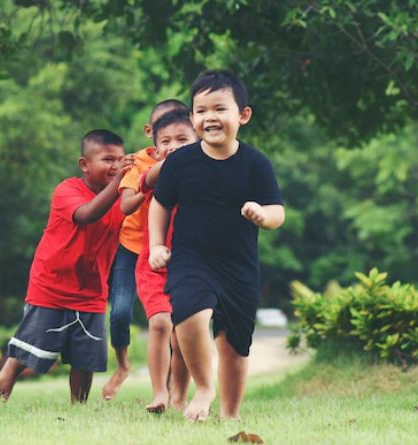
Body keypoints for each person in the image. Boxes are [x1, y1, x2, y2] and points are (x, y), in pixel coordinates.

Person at [148, 69, 285, 421]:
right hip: (191, 258)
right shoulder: (180, 162)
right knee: (190, 313)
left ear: (242, 115)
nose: (210, 117)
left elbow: (278, 212)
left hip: (238, 265)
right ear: (193, 118)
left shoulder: (255, 163)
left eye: (219, 108)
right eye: (201, 110)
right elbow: (159, 204)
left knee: (234, 346)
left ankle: (231, 414)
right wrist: (156, 245)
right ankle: (204, 387)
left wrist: (262, 215)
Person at [0, 129, 134, 403]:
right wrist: (118, 182)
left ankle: (77, 405)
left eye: (119, 160)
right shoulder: (67, 190)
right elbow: (87, 215)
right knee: (38, 343)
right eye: (107, 159)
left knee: (87, 354)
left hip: (92, 288)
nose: (115, 166)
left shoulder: (122, 199)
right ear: (84, 165)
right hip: (52, 283)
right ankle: (12, 367)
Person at [102, 99, 190, 400]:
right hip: (135, 248)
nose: (173, 141)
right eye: (165, 134)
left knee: (178, 327)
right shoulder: (139, 164)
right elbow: (125, 204)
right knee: (125, 312)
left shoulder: (194, 161)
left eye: (181, 133)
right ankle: (126, 367)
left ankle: (172, 388)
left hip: (178, 250)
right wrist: (151, 185)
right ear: (151, 133)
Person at [133, 110, 198, 413]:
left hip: (190, 266)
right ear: (156, 149)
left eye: (182, 140)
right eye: (166, 142)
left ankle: (179, 395)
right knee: (160, 323)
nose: (173, 146)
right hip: (154, 266)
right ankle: (159, 392)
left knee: (183, 332)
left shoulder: (203, 176)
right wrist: (171, 160)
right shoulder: (155, 174)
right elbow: (147, 179)